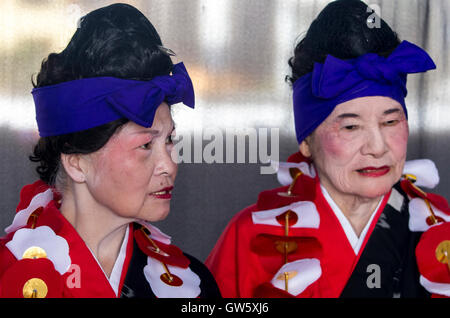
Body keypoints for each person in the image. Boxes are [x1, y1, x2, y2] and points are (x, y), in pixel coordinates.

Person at [206, 0, 450, 298]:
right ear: (306, 141)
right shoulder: (251, 235)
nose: (377, 147)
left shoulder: (440, 229)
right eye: (350, 127)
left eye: (390, 122)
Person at [0, 3, 221, 298]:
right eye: (145, 145)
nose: (169, 164)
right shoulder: (8, 276)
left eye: (169, 140)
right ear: (77, 163)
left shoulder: (195, 286)